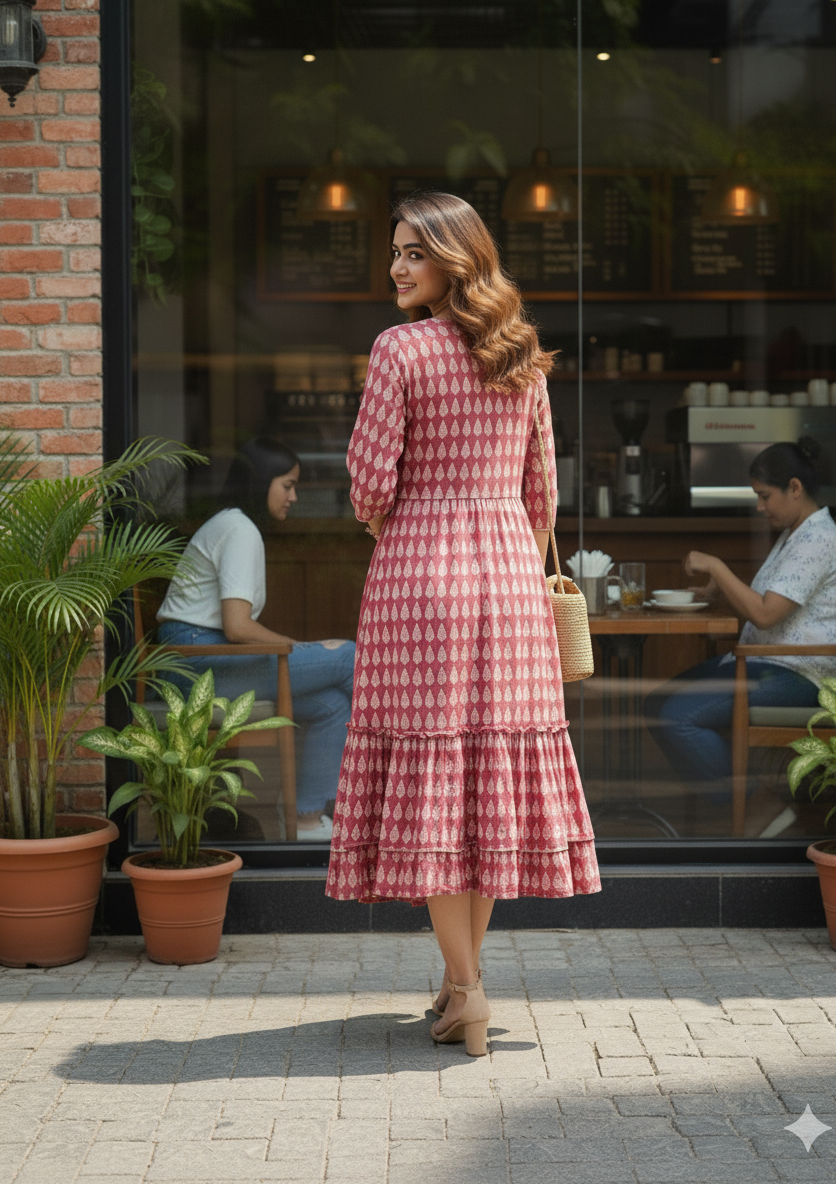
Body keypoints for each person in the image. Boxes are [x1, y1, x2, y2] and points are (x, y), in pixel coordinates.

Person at [324, 192, 600, 1055]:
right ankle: (455, 985)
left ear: (455, 258)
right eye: (396, 251)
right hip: (511, 578)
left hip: (421, 580)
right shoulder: (523, 357)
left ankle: (469, 989)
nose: (397, 267)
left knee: (440, 780)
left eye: (413, 253)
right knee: (483, 776)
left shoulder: (401, 348)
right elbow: (544, 493)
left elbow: (369, 477)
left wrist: (395, 523)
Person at [156, 437, 355, 840]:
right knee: (350, 657)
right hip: (196, 666)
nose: (294, 496)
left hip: (200, 659)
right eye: (287, 485)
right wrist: (290, 645)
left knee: (332, 704)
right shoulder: (239, 528)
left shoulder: (233, 524)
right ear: (262, 481)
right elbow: (237, 626)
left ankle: (306, 817)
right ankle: (391, 795)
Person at [645, 437, 836, 812]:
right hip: (763, 662)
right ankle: (741, 798)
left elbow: (765, 614)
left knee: (678, 718)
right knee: (656, 704)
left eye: (764, 496)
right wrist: (717, 595)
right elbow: (771, 603)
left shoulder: (818, 539)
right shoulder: (796, 535)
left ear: (794, 488)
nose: (759, 507)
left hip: (801, 675)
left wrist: (717, 567)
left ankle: (758, 806)